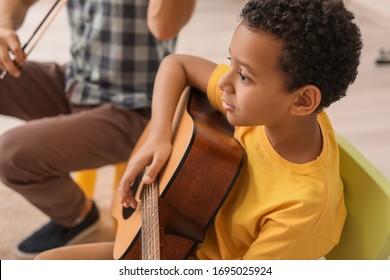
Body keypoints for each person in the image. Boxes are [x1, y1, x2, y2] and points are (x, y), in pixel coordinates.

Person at [36, 0, 363, 260]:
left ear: (304, 99)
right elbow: (176, 65)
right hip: (175, 239)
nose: (224, 82)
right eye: (229, 62)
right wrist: (159, 136)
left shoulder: (302, 212)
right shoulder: (274, 115)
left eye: (244, 76)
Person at [0, 0, 195, 259]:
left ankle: (78, 216)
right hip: (77, 83)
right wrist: (3, 25)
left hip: (135, 107)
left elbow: (163, 27)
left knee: (10, 155)